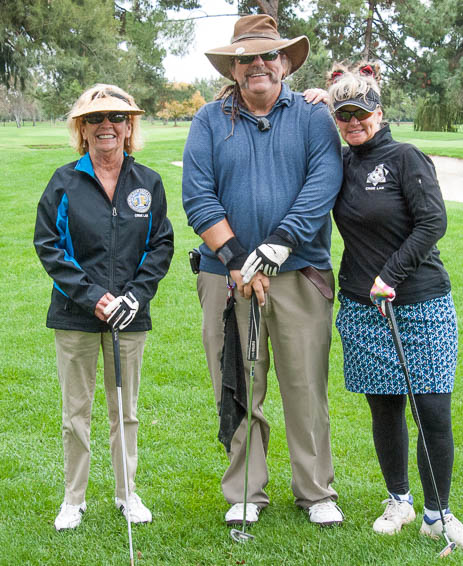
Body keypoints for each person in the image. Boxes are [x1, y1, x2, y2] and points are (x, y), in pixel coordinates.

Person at [182, 14, 344, 527]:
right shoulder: (208, 119)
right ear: (233, 68)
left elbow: (324, 182)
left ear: (283, 63)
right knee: (237, 383)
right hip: (226, 276)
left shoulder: (315, 117)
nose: (258, 65)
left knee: (305, 387)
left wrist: (278, 244)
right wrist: (235, 260)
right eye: (247, 58)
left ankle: (316, 492)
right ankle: (245, 494)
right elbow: (197, 195)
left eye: (267, 56)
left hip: (299, 272)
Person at [324, 65, 463, 550]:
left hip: (421, 302)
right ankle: (399, 500)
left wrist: (388, 276)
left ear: (379, 111)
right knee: (385, 409)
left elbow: (432, 223)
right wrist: (316, 96)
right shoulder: (342, 163)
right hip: (362, 307)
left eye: (360, 112)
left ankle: (439, 514)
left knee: (432, 410)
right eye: (343, 114)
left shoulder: (405, 157)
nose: (353, 122)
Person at [34, 84, 174, 531]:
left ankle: (127, 494)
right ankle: (73, 499)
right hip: (76, 316)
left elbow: (161, 244)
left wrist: (135, 295)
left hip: (130, 316)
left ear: (129, 126)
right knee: (76, 414)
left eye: (116, 118)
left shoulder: (147, 181)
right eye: (96, 119)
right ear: (83, 128)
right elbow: (49, 246)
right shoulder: (64, 181)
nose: (106, 126)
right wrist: (94, 298)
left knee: (125, 411)